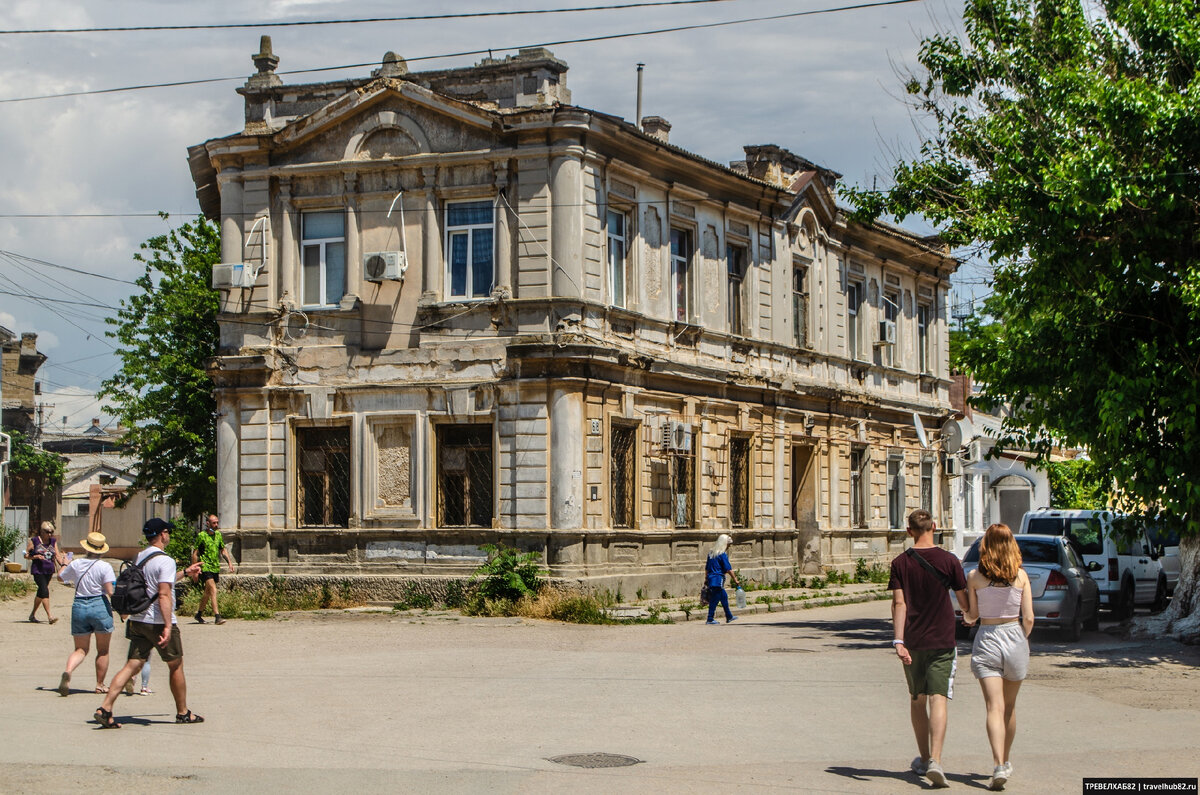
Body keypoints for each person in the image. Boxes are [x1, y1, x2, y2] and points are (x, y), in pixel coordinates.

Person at [93, 518, 203, 729]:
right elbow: (163, 594)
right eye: (167, 532)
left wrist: (186, 573)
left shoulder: (140, 557)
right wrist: (168, 626)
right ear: (162, 534)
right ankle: (182, 712)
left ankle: (105, 708)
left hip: (137, 620)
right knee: (175, 665)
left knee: (132, 664)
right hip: (158, 621)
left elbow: (154, 585)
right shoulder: (165, 560)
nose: (169, 535)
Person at [889, 509, 969, 788]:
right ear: (934, 527)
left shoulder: (900, 563)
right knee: (939, 698)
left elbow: (900, 604)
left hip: (912, 641)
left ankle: (923, 758)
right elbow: (963, 599)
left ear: (909, 531)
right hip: (943, 639)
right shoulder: (950, 561)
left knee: (917, 699)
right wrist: (970, 614)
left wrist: (898, 641)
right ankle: (935, 759)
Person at [961, 524, 1035, 791]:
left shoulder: (974, 577)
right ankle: (1006, 759)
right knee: (1009, 706)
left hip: (988, 638)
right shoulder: (1021, 577)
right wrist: (1022, 639)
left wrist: (965, 616)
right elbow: (1028, 618)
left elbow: (972, 616)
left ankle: (997, 765)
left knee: (994, 707)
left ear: (986, 546)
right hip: (1014, 636)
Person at [56, 531, 117, 696]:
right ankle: (100, 684)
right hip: (99, 604)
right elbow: (110, 590)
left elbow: (60, 578)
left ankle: (68, 671)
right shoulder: (105, 566)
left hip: (79, 605)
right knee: (103, 650)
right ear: (101, 550)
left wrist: (64, 563)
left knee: (81, 649)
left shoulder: (76, 564)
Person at [192, 514, 236, 624]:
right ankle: (217, 616)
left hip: (215, 567)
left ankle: (199, 614)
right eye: (213, 523)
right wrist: (194, 570)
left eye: (217, 522)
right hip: (205, 566)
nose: (216, 525)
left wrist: (229, 562)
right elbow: (195, 553)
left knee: (207, 592)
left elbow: (223, 550)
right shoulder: (202, 536)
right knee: (213, 590)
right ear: (208, 523)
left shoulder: (218, 535)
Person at [25, 521, 63, 624]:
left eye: (51, 532)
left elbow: (57, 555)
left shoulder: (53, 541)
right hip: (38, 570)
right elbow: (26, 555)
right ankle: (50, 616)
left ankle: (32, 615)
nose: (49, 534)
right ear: (42, 531)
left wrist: (63, 565)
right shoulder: (34, 541)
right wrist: (35, 556)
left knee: (41, 592)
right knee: (44, 590)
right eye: (47, 532)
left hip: (49, 571)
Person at [704, 533, 741, 625]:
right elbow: (728, 569)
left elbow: (707, 568)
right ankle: (710, 618)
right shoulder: (722, 554)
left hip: (711, 578)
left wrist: (706, 579)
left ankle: (729, 616)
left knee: (724, 597)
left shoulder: (711, 553)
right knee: (714, 599)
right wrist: (735, 579)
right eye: (728, 545)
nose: (729, 547)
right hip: (718, 579)